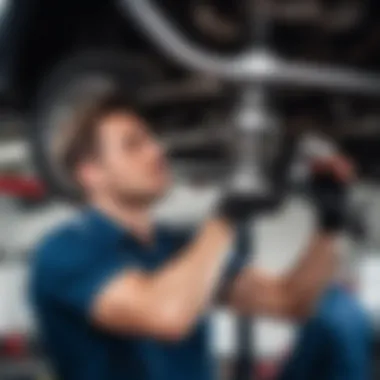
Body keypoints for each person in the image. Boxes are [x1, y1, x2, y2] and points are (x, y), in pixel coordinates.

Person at [30, 90, 371, 380]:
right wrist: (226, 217)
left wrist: (330, 223)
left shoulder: (179, 246)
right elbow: (166, 316)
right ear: (92, 173)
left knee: (338, 314)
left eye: (151, 139)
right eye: (133, 145)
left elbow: (290, 301)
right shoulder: (65, 251)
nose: (156, 151)